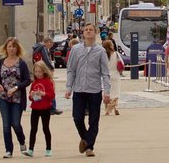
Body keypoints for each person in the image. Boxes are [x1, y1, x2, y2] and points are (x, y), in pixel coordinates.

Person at [64, 24, 110, 158]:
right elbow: (71, 70)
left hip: (94, 90)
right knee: (77, 117)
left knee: (94, 120)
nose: (88, 32)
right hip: (79, 89)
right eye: (86, 30)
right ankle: (85, 138)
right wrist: (68, 88)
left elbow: (105, 73)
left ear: (95, 33)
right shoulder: (76, 49)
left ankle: (89, 147)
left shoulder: (100, 51)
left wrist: (106, 91)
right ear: (82, 33)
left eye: (91, 30)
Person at [0, 37, 31, 158]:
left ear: (17, 48)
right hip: (3, 97)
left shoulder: (21, 63)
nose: (11, 49)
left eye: (14, 46)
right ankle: (8, 150)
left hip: (17, 97)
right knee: (6, 124)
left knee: (15, 123)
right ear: (6, 48)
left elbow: (27, 80)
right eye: (9, 46)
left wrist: (16, 88)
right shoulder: (1, 62)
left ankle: (22, 141)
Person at [25, 61, 56, 157]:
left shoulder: (48, 82)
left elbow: (52, 95)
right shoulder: (34, 83)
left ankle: (48, 148)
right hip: (35, 108)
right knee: (33, 129)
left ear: (44, 71)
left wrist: (43, 94)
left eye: (39, 72)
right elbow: (30, 97)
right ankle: (30, 149)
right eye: (36, 72)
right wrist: (31, 95)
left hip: (45, 108)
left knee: (45, 128)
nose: (38, 74)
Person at [31, 37, 61, 115]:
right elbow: (46, 60)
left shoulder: (36, 48)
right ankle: (52, 108)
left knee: (39, 87)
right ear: (47, 42)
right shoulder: (43, 48)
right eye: (50, 43)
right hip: (45, 71)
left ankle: (39, 106)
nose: (51, 44)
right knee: (50, 88)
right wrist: (51, 67)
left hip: (38, 70)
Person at [101, 40, 123, 116]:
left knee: (107, 93)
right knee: (116, 93)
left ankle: (107, 109)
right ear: (111, 46)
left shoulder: (102, 55)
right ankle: (115, 107)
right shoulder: (116, 54)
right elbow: (122, 64)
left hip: (106, 76)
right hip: (115, 75)